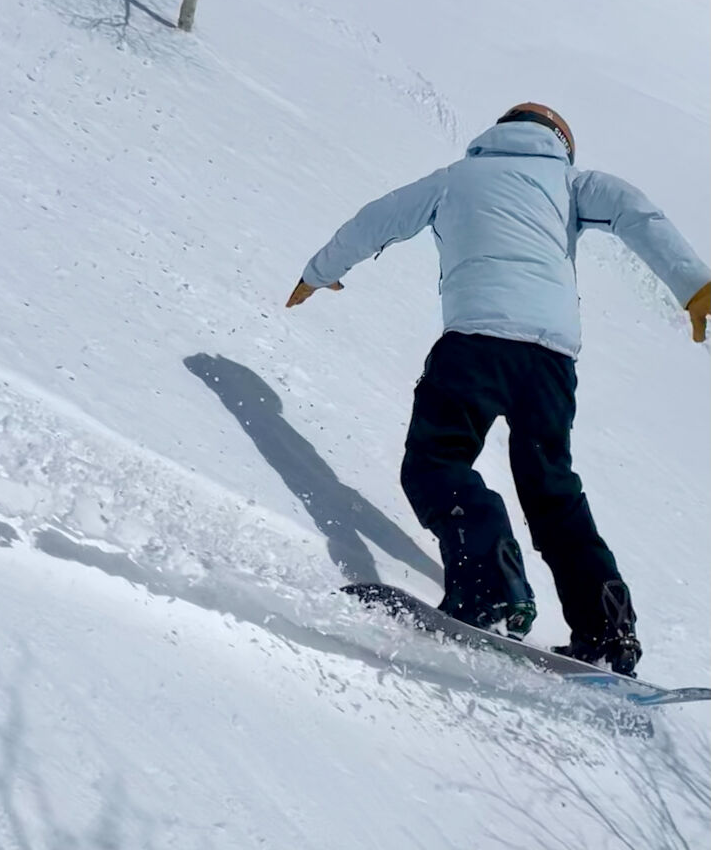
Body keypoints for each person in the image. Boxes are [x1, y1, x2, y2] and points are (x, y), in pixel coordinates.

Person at [286, 103, 710, 676]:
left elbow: (375, 221)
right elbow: (639, 214)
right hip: (550, 362)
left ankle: (489, 585)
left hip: (474, 346)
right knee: (552, 490)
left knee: (437, 462)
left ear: (497, 134)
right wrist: (695, 286)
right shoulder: (571, 181)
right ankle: (606, 627)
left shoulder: (455, 179)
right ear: (561, 141)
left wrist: (318, 271)